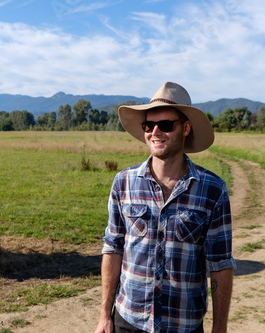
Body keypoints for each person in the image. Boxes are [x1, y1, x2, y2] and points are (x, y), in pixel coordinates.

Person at [94, 82, 236, 333]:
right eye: (148, 125)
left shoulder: (213, 189)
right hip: (129, 321)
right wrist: (105, 315)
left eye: (166, 125)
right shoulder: (123, 182)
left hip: (184, 325)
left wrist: (220, 328)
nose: (155, 132)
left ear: (186, 128)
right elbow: (113, 248)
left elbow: (220, 264)